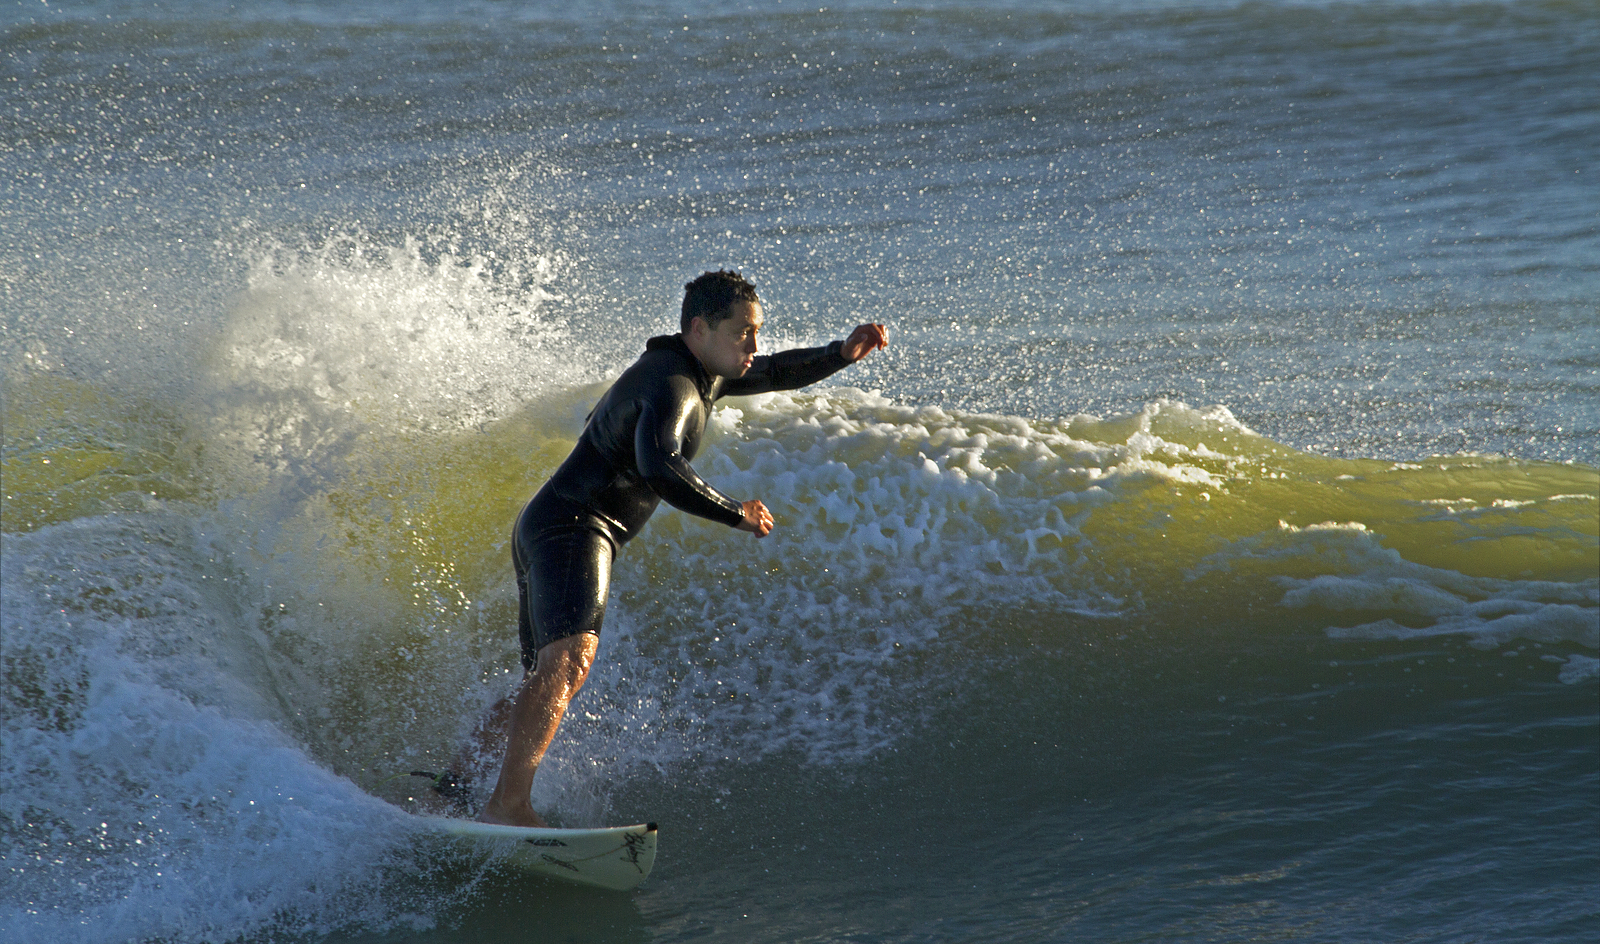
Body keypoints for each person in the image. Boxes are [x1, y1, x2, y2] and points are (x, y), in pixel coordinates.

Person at [470, 270, 887, 827]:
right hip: (576, 527)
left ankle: (458, 784)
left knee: (546, 675)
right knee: (568, 664)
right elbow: (661, 467)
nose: (753, 345)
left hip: (546, 525)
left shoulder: (695, 369)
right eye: (742, 332)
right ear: (699, 328)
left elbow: (775, 371)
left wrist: (839, 354)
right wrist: (733, 512)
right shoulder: (671, 386)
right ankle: (509, 805)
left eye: (756, 331)